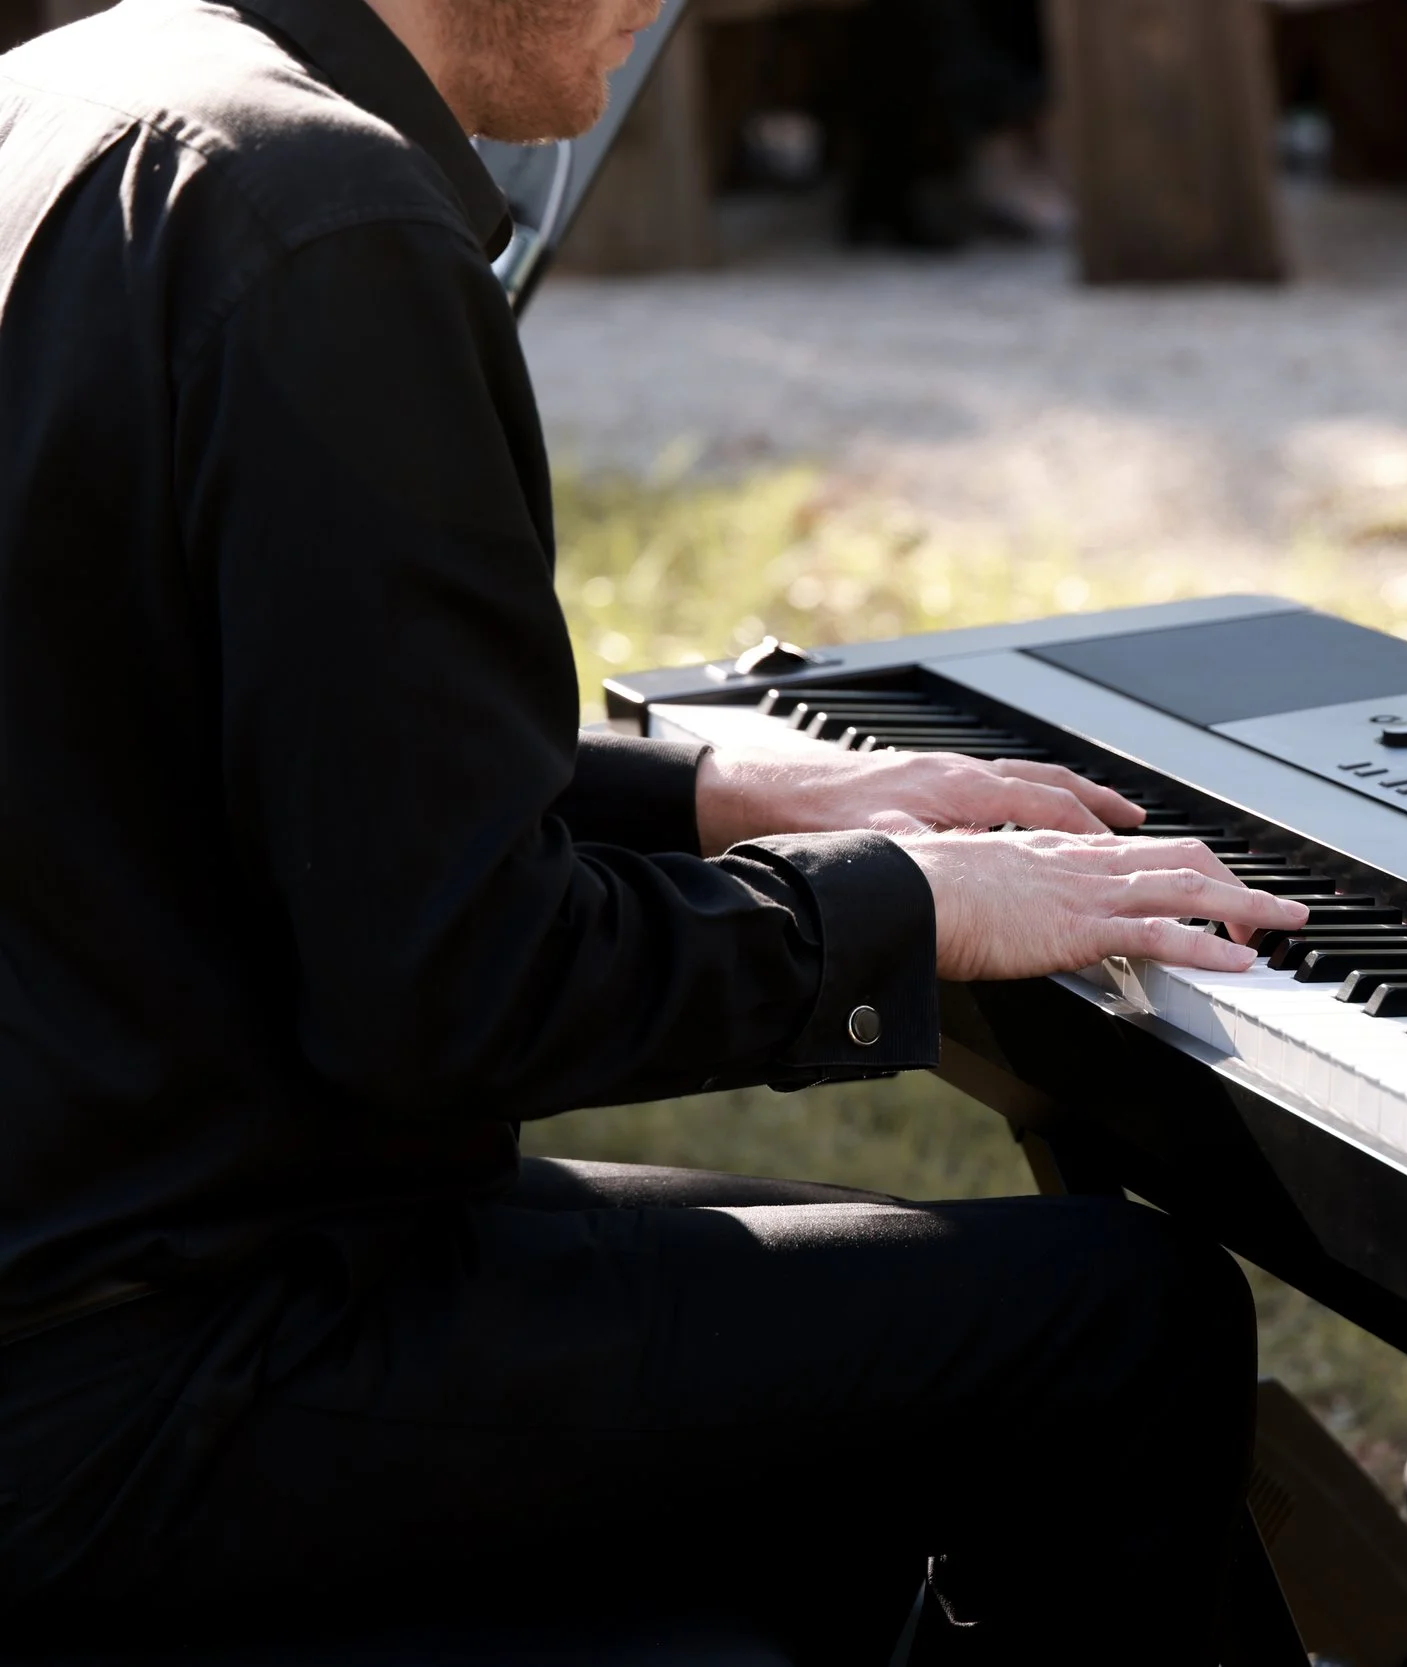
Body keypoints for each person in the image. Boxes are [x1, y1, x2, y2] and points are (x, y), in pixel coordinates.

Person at [0, 0, 1308, 1659]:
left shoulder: (81, 94)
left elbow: (271, 738)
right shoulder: (329, 221)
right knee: (1127, 1322)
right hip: (172, 1370)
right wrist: (898, 905)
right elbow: (458, 991)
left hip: (123, 1256)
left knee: (918, 1337)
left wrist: (716, 793)